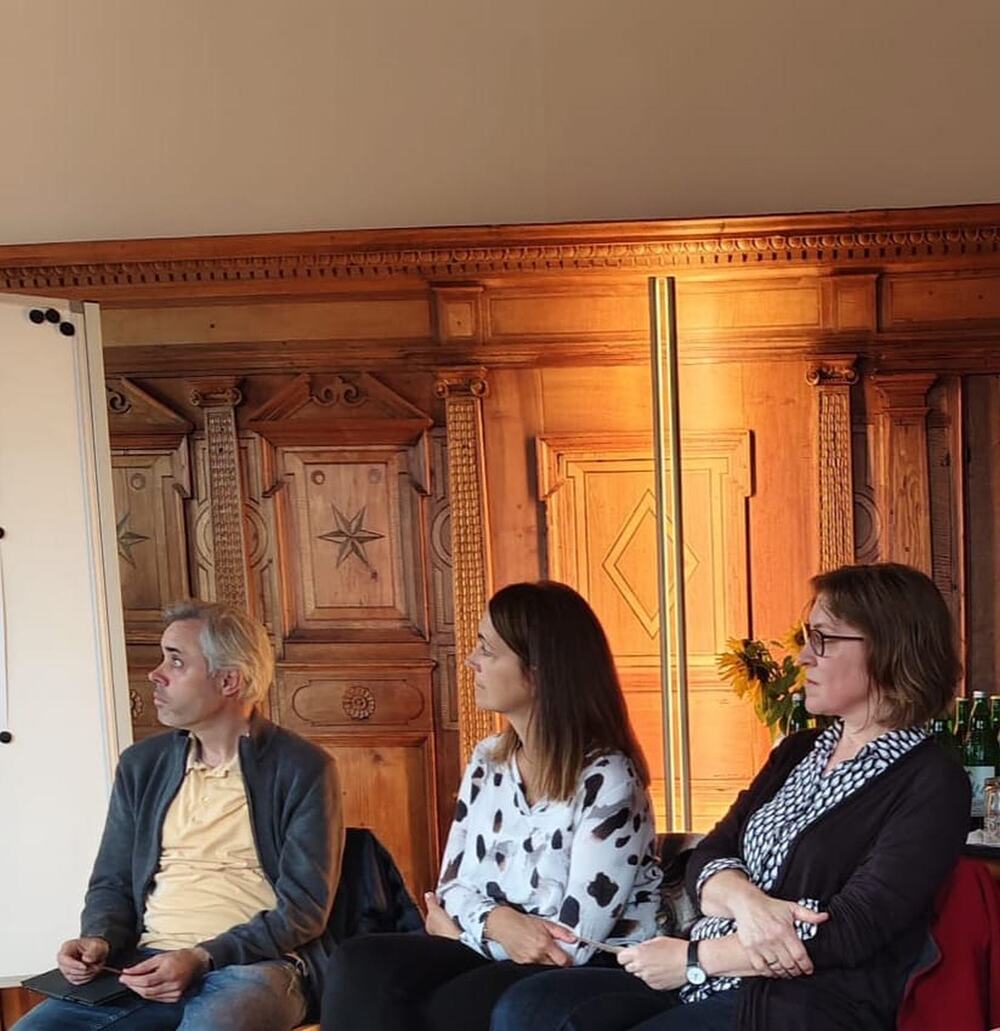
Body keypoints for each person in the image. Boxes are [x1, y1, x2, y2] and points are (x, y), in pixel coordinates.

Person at [491, 562, 971, 1031]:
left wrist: (696, 959)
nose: (804, 657)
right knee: (528, 1007)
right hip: (697, 979)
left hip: (802, 1000)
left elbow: (851, 929)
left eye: (822, 639)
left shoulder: (933, 782)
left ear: (888, 650)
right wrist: (748, 904)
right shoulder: (797, 751)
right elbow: (710, 855)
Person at [320, 580, 662, 1031]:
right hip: (492, 944)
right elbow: (452, 888)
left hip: (589, 970)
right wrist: (495, 923)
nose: (471, 660)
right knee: (360, 963)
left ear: (538, 671)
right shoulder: (488, 760)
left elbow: (571, 944)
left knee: (445, 1007)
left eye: (488, 650)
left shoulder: (610, 779)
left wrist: (460, 933)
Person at [15, 600, 344, 1031]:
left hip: (257, 966)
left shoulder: (302, 768)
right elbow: (112, 881)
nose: (155, 674)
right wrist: (98, 938)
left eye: (175, 661)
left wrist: (201, 957)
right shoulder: (142, 765)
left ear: (228, 680)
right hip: (143, 965)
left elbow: (304, 910)